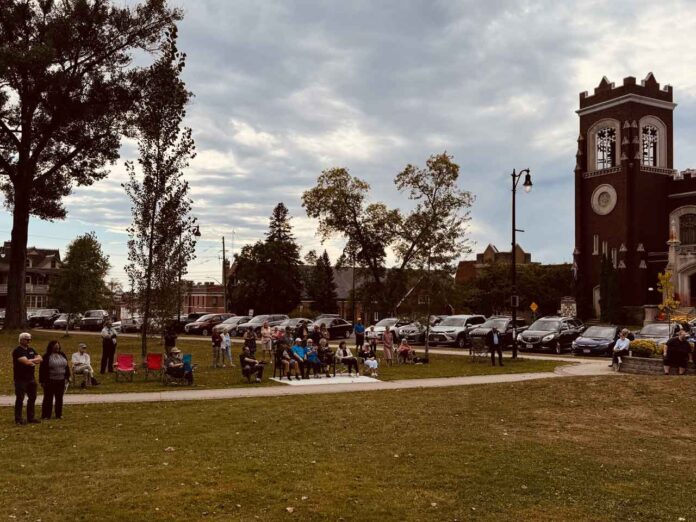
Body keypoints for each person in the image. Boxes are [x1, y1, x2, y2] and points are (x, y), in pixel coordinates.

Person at [12, 332, 42, 425]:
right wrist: (32, 361)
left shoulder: (31, 349)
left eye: (29, 339)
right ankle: (18, 419)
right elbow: (25, 362)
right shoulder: (17, 351)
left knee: (32, 398)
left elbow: (40, 358)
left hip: (31, 378)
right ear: (21, 340)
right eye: (26, 339)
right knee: (20, 399)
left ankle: (31, 417)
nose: (29, 341)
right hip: (20, 379)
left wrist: (30, 360)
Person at [39, 340, 70, 420]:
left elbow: (66, 366)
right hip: (50, 381)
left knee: (59, 398)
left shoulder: (62, 354)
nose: (57, 347)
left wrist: (67, 376)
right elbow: (42, 369)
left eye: (58, 346)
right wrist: (42, 381)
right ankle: (46, 415)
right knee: (48, 398)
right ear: (51, 347)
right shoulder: (46, 356)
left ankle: (58, 414)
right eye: (55, 346)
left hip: (61, 380)